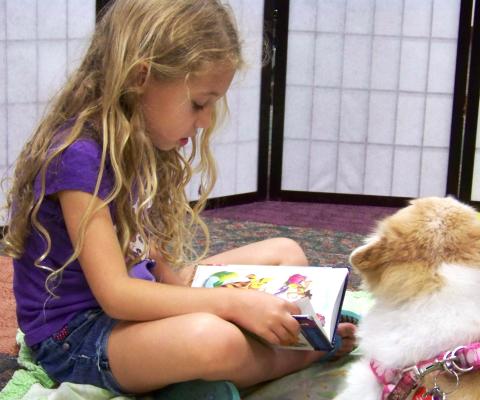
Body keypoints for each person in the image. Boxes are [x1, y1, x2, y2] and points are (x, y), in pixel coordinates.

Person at [2, 0, 356, 396]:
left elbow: (150, 255)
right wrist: (230, 305)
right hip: (79, 336)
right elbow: (117, 296)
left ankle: (245, 347)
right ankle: (298, 355)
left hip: (138, 300)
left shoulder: (139, 137)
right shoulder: (80, 156)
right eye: (199, 103)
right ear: (141, 77)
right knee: (211, 338)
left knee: (286, 253)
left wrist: (189, 292)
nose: (206, 121)